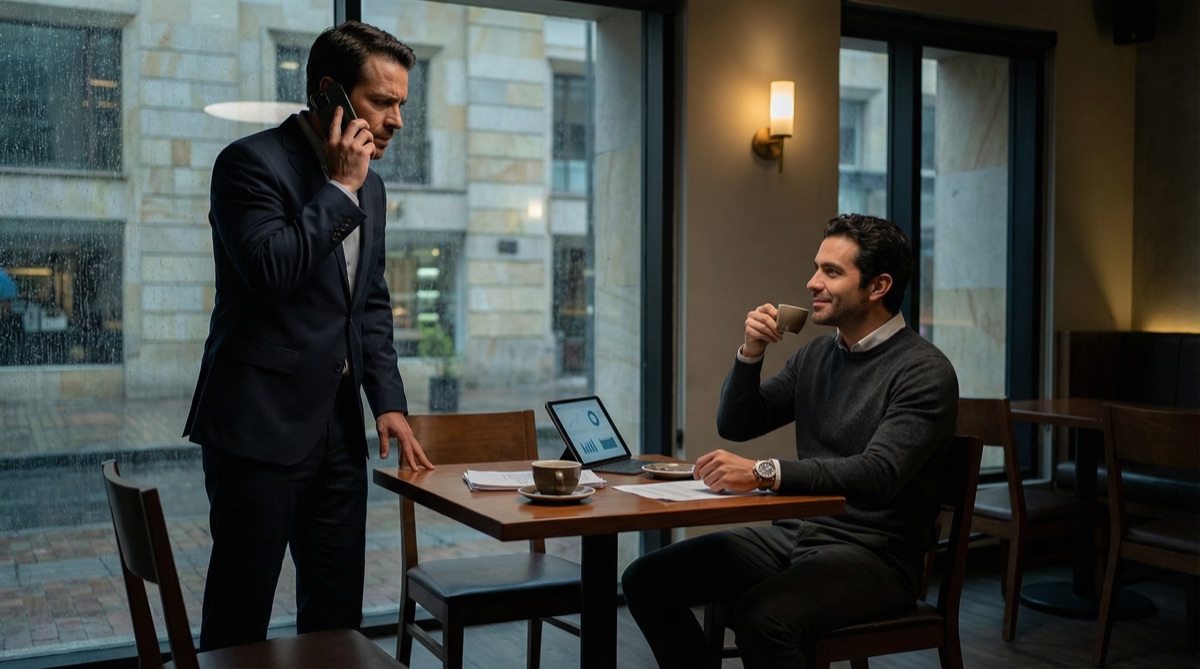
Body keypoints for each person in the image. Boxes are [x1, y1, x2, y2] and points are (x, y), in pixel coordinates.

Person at [182, 21, 435, 651]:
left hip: (339, 434)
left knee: (336, 611)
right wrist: (340, 188)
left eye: (402, 103)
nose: (397, 120)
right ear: (329, 94)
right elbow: (271, 272)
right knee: (241, 615)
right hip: (256, 427)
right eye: (382, 102)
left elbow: (368, 306)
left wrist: (390, 404)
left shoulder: (372, 188)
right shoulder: (248, 165)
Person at [622, 214, 959, 668]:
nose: (812, 282)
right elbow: (737, 424)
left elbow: (879, 474)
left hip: (878, 558)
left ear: (878, 286)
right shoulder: (817, 354)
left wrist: (764, 473)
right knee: (646, 578)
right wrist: (750, 354)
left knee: (762, 617)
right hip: (799, 536)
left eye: (832, 272)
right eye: (817, 267)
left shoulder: (924, 371)